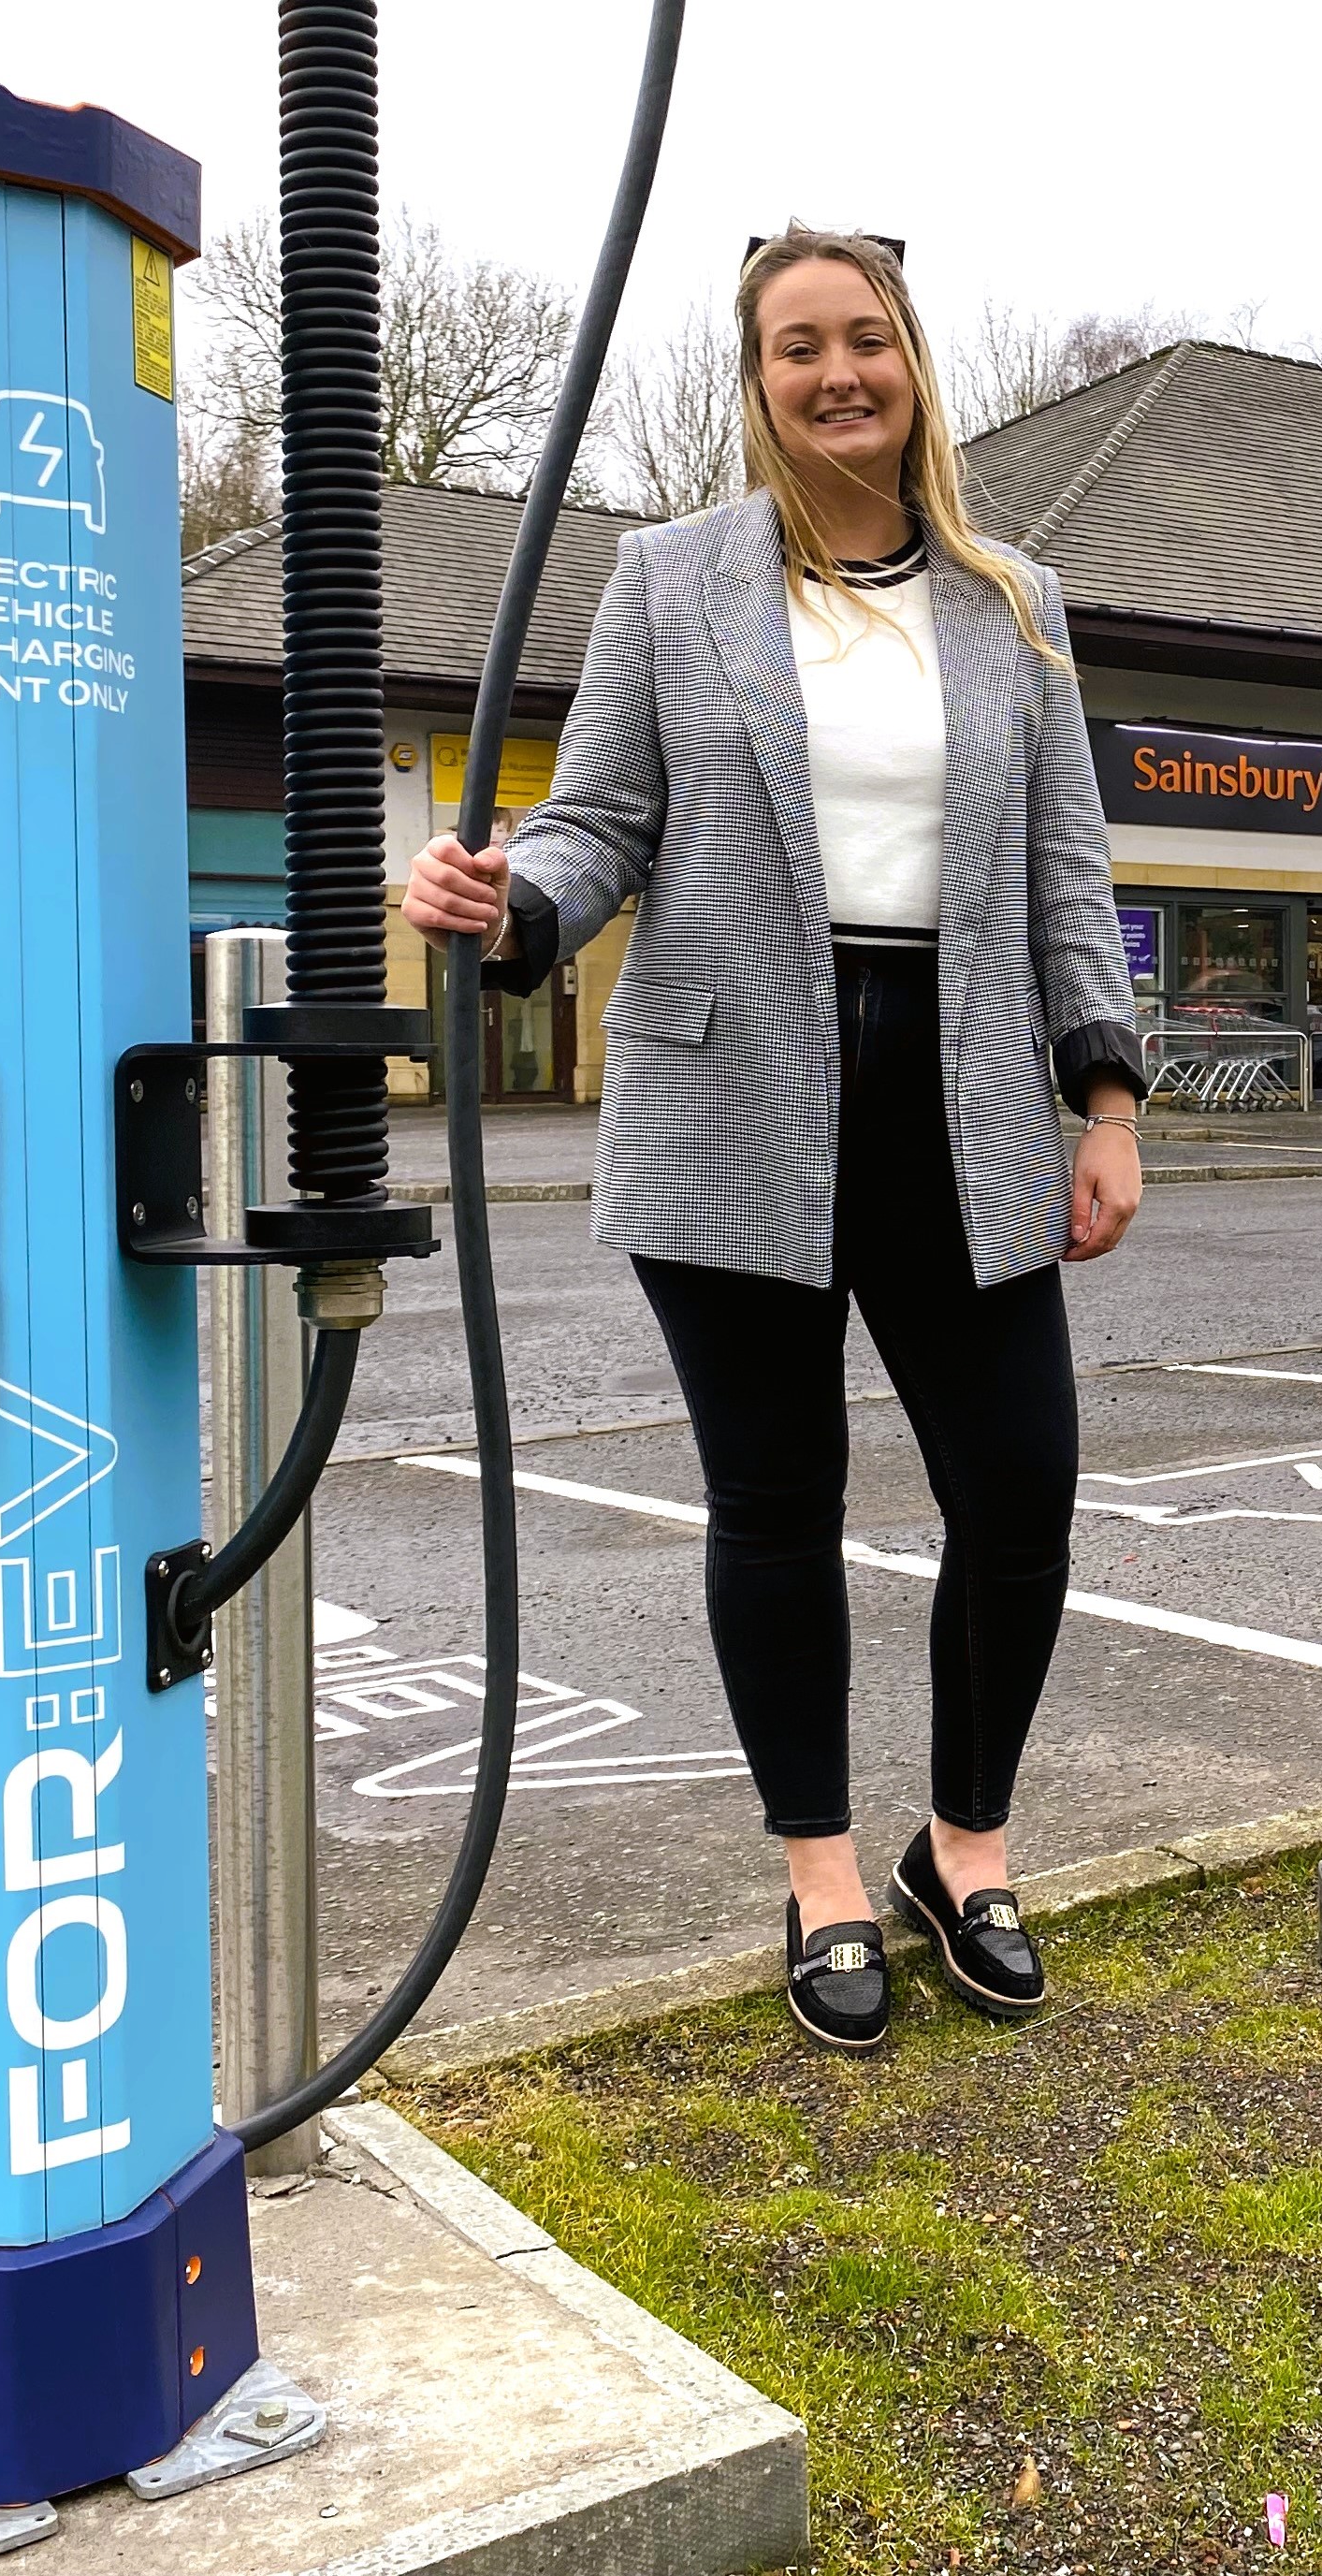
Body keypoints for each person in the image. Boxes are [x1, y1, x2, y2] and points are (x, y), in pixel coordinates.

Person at [404, 225, 1142, 2050]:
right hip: (730, 1089)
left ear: (909, 365)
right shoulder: (671, 585)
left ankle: (959, 1845)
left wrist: (1103, 1096)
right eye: (795, 346)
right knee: (776, 1501)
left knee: (1019, 1489)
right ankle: (817, 1871)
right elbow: (598, 827)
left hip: (956, 1093)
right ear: (754, 382)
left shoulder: (1013, 602)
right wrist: (511, 909)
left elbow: (1068, 873)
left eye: (863, 340)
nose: (835, 373)